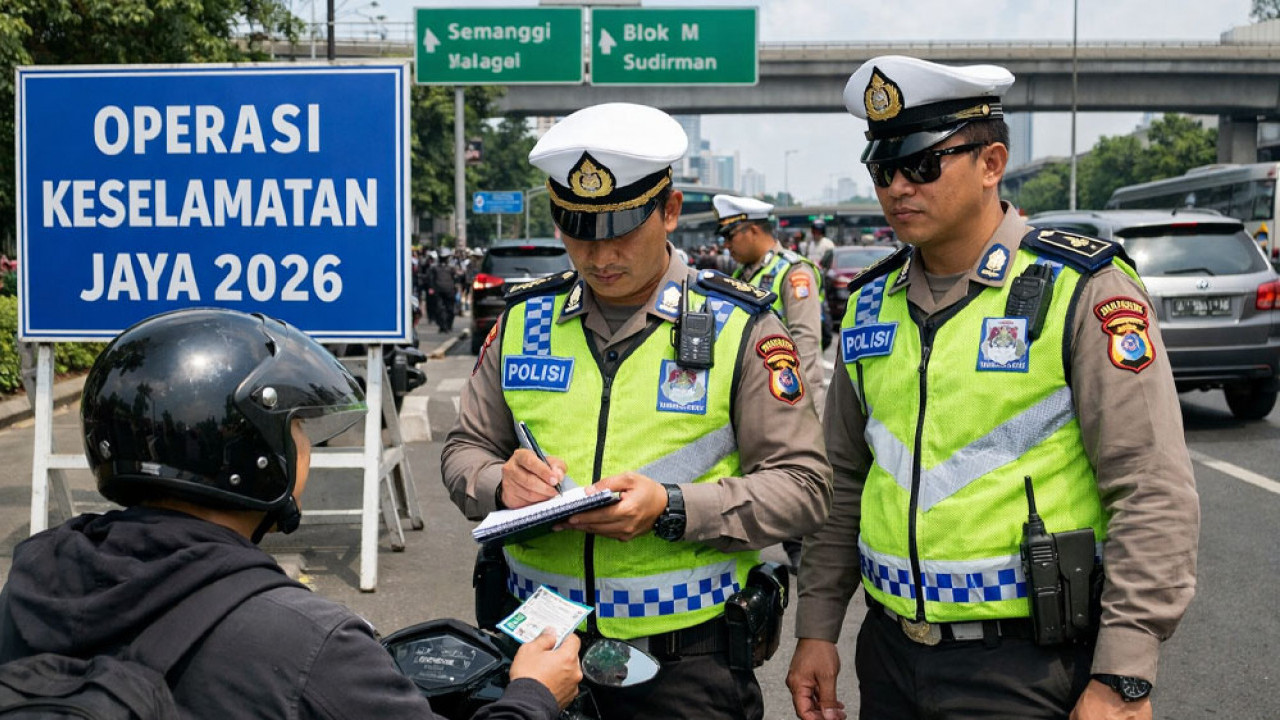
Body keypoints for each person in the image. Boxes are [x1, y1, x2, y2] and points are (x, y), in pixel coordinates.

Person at [786, 55, 1200, 720]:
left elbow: (1151, 489)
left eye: (921, 165)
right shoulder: (869, 306)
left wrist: (1123, 674)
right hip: (890, 656)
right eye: (882, 169)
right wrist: (817, 627)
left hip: (1026, 666)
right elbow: (842, 483)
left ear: (991, 162)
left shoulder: (1081, 290)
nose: (897, 187)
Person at [442, 102, 833, 720]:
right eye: (578, 233)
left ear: (670, 211)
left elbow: (805, 488)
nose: (599, 258)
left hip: (685, 667)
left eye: (621, 233)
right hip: (537, 655)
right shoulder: (523, 322)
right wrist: (499, 484)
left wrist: (674, 508)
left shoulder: (740, 326)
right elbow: (464, 448)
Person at [0, 308, 581, 720]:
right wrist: (531, 695)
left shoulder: (34, 582)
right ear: (252, 454)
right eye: (297, 428)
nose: (306, 448)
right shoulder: (309, 645)